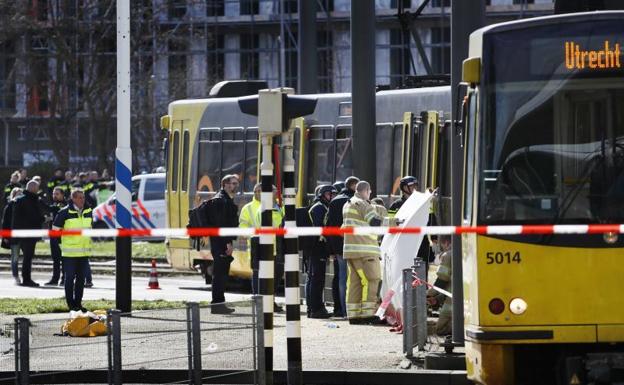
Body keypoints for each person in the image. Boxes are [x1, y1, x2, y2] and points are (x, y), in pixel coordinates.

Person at [342, 181, 384, 324]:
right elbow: (375, 222)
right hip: (366, 250)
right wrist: (395, 222)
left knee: (354, 283)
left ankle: (353, 316)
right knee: (371, 280)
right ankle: (368, 314)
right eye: (370, 191)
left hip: (351, 251)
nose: (370, 194)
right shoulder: (364, 204)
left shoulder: (347, 205)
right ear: (366, 191)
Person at [203, 174, 239, 314]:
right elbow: (221, 225)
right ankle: (217, 304)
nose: (235, 186)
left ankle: (219, 303)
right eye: (232, 183)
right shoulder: (221, 201)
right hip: (220, 243)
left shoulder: (224, 199)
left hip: (220, 242)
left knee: (221, 274)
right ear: (225, 184)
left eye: (236, 183)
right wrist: (228, 244)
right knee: (220, 274)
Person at [52, 189, 93, 312]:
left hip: (84, 252)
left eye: (83, 197)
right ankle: (71, 305)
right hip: (69, 253)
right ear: (73, 198)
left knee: (81, 280)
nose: (82, 200)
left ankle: (78, 304)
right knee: (69, 279)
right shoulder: (64, 212)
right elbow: (55, 231)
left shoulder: (89, 211)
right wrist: (61, 246)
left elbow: (90, 228)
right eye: (80, 198)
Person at [325, 176, 359, 318]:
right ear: (353, 186)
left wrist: (331, 249)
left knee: (342, 278)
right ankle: (352, 310)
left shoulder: (334, 201)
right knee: (355, 279)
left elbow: (329, 227)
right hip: (355, 245)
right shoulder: (356, 202)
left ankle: (343, 309)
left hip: (339, 247)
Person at [306, 185, 337, 318]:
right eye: (330, 194)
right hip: (317, 247)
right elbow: (321, 229)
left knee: (314, 278)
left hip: (317, 247)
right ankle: (316, 309)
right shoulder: (319, 208)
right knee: (317, 279)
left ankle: (313, 308)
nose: (332, 197)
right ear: (323, 194)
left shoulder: (321, 206)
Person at [11, 180, 46, 287]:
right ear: (33, 188)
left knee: (27, 257)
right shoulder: (30, 200)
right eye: (37, 188)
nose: (38, 190)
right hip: (29, 234)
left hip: (24, 234)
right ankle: (27, 279)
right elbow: (33, 217)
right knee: (28, 258)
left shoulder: (21, 200)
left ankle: (26, 278)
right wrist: (43, 219)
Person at [427, 235, 452, 336]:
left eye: (441, 246)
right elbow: (452, 285)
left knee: (440, 329)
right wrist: (437, 300)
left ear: (446, 243)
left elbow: (442, 280)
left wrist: (429, 294)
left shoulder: (448, 255)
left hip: (453, 303)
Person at [1, 187, 23, 284]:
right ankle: (16, 277)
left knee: (26, 257)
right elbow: (5, 222)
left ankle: (26, 276)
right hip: (14, 237)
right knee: (15, 257)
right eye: (18, 194)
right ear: (13, 195)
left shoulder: (25, 206)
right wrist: (5, 236)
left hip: (25, 236)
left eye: (21, 194)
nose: (20, 195)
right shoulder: (9, 207)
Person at [45, 186, 67, 286]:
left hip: (62, 236)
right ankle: (55, 279)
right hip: (53, 235)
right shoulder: (53, 204)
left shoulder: (65, 205)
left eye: (57, 194)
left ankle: (64, 279)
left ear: (62, 194)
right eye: (53, 193)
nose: (54, 195)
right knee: (55, 259)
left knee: (64, 259)